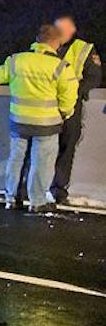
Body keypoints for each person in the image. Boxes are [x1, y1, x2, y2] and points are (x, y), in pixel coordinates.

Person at [0, 24, 78, 214]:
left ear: (37, 40)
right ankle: (37, 201)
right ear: (56, 42)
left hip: (19, 121)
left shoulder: (17, 60)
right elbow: (69, 96)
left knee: (16, 159)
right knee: (42, 163)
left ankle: (11, 198)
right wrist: (64, 113)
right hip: (46, 124)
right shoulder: (60, 66)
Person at [49, 15, 101, 204]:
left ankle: (58, 190)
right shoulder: (46, 46)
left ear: (72, 31)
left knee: (66, 147)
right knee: (39, 147)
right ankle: (30, 187)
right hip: (48, 103)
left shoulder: (84, 48)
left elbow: (94, 77)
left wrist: (74, 92)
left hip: (72, 105)